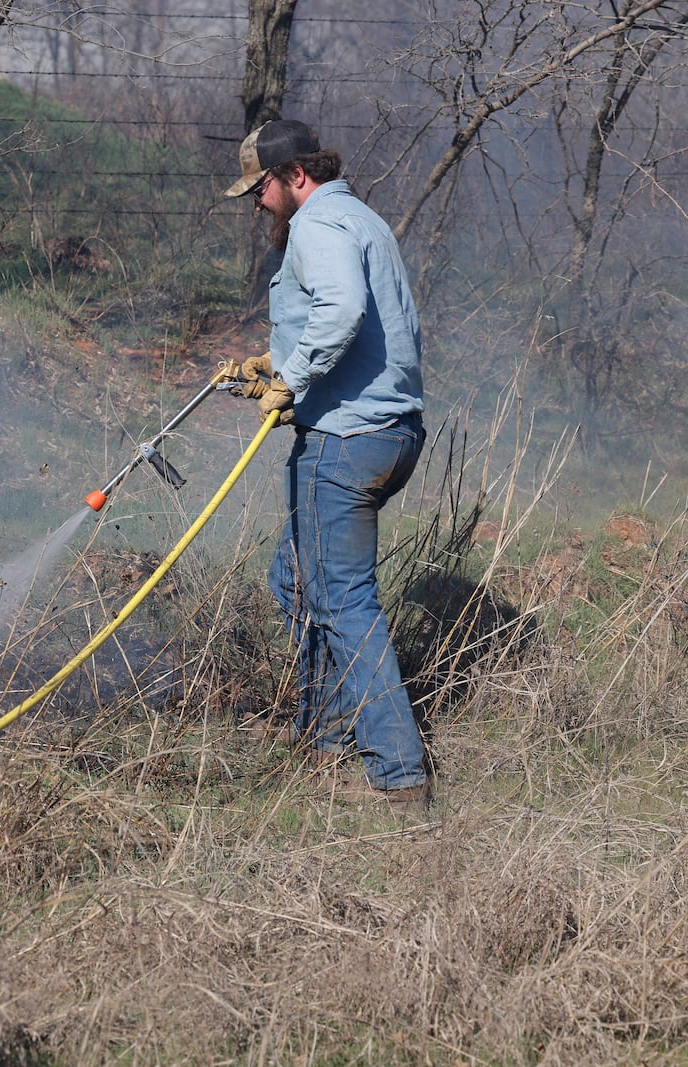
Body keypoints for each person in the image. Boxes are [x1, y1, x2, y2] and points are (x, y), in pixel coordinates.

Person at [225, 119, 431, 811]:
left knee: (341, 601)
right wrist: (276, 369)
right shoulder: (360, 217)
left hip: (346, 442)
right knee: (294, 578)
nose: (257, 202)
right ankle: (324, 732)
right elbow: (356, 321)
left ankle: (398, 774)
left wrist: (296, 377)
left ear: (295, 177)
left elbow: (341, 309)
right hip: (390, 432)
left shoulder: (316, 224)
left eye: (261, 188)